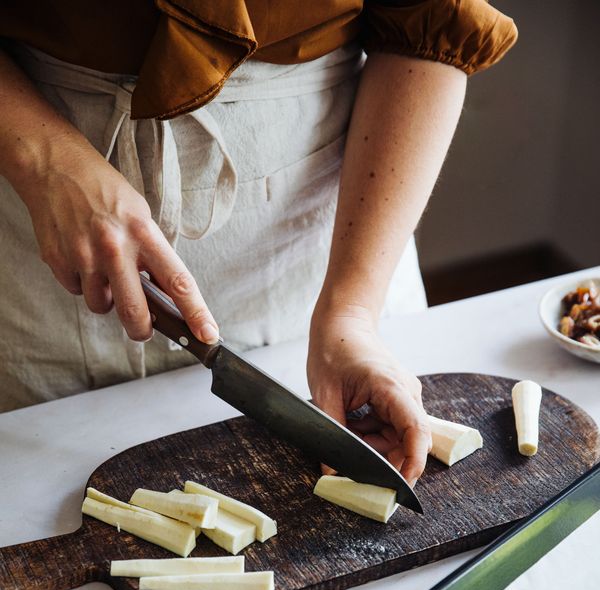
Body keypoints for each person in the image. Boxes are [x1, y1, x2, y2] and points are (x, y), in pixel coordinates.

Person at [0, 1, 517, 486]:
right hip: (32, 216)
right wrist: (45, 161)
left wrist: (353, 313)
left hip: (341, 236)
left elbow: (432, 21)